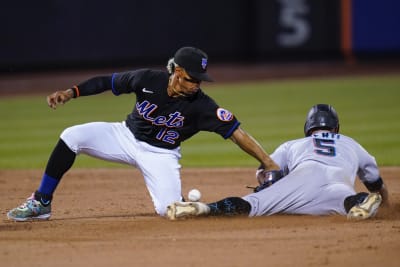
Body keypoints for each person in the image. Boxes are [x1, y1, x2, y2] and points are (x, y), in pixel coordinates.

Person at [7, 46, 279, 221]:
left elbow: (236, 132)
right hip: (124, 136)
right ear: (177, 72)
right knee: (71, 136)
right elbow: (107, 81)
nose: (196, 85)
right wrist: (71, 92)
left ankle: (189, 203)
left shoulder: (203, 105)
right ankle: (42, 202)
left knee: (170, 210)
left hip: (161, 155)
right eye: (191, 78)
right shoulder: (147, 79)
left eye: (200, 80)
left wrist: (268, 162)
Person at [167, 104, 390, 220]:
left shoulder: (293, 145)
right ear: (336, 128)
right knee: (347, 201)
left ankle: (203, 208)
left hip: (304, 176)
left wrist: (269, 185)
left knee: (253, 204)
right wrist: (386, 202)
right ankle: (363, 202)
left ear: (308, 128)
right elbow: (375, 181)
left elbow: (268, 170)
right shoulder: (351, 143)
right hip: (337, 184)